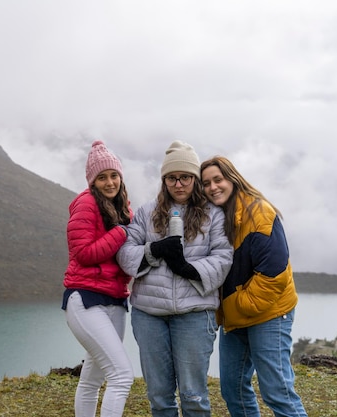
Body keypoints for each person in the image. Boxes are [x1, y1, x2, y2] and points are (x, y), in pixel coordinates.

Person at [116, 140, 233, 417]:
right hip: (149, 314)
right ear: (164, 180)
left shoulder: (213, 215)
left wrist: (188, 269)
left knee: (194, 396)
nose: (178, 184)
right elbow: (124, 253)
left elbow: (223, 256)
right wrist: (154, 250)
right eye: (171, 178)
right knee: (159, 396)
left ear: (194, 179)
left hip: (194, 313)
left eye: (185, 178)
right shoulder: (146, 214)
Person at [200, 156, 308, 417]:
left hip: (268, 313)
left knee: (277, 392)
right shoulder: (216, 218)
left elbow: (275, 271)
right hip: (236, 317)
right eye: (206, 183)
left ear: (233, 179)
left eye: (218, 179)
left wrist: (240, 305)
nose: (213, 187)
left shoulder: (258, 212)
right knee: (233, 390)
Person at [62, 140, 134, 417]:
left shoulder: (124, 208)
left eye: (114, 175)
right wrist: (121, 233)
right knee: (121, 375)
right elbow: (83, 253)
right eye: (102, 177)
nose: (110, 182)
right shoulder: (86, 204)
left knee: (92, 379)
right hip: (85, 298)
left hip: (115, 300)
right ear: (92, 181)